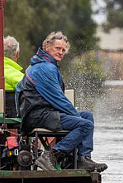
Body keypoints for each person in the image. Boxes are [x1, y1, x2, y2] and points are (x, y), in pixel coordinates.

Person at [17, 31, 107, 173]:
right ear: (47, 47)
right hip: (37, 116)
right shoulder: (44, 68)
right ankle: (50, 155)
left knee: (87, 116)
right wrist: (75, 116)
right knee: (85, 125)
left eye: (63, 50)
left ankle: (83, 159)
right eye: (57, 48)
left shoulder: (46, 65)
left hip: (46, 113)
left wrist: (75, 115)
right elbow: (58, 99)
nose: (61, 52)